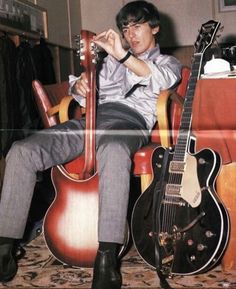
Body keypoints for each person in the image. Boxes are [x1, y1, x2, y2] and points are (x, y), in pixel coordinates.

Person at [0, 1, 182, 288]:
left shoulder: (167, 63)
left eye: (137, 26)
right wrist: (79, 87)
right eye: (125, 28)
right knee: (21, 151)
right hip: (90, 121)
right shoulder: (110, 62)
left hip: (129, 123)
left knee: (112, 149)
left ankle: (107, 256)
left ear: (155, 28)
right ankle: (4, 249)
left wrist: (121, 56)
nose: (130, 34)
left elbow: (156, 78)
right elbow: (85, 95)